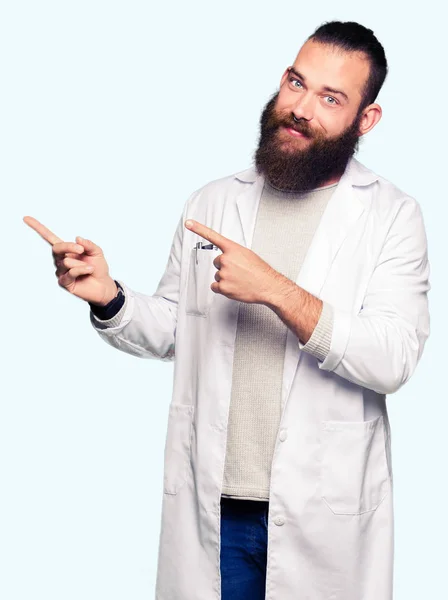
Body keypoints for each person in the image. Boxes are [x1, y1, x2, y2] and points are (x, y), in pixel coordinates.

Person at [23, 20, 431, 600]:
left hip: (324, 514)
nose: (301, 108)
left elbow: (392, 358)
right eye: (296, 82)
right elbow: (174, 329)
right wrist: (109, 296)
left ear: (367, 119)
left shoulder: (392, 216)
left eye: (330, 97)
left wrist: (275, 288)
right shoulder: (213, 200)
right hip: (215, 506)